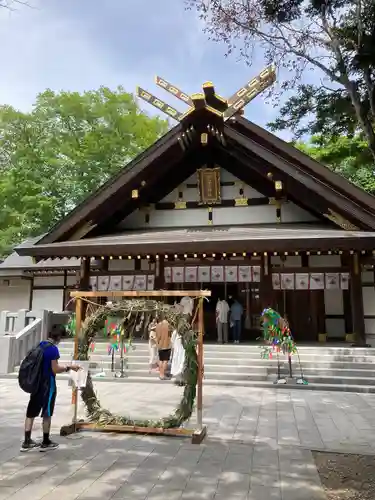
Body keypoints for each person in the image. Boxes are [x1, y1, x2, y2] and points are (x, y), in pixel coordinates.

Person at [21, 324, 80, 452]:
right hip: (48, 384)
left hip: (36, 383)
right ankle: (46, 441)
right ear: (58, 337)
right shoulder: (53, 349)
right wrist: (68, 367)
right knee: (47, 412)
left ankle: (26, 441)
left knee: (31, 411)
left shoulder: (40, 344)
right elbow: (55, 369)